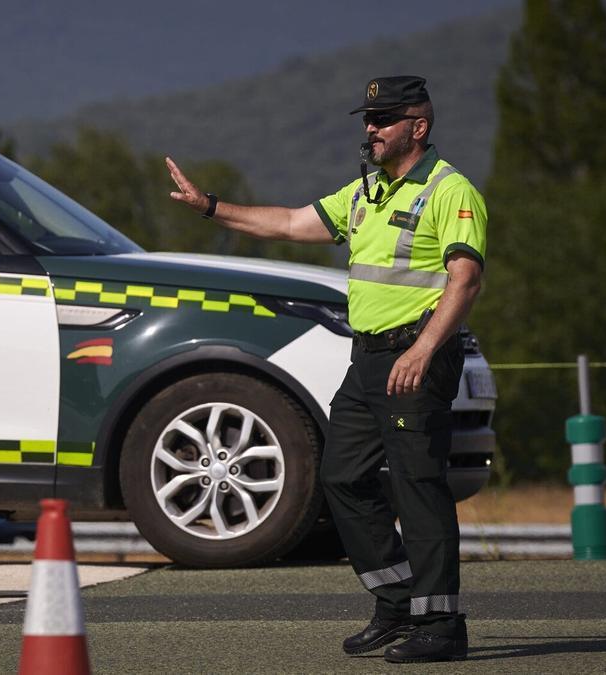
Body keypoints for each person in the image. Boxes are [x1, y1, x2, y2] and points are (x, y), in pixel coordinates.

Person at [165, 75, 485, 663]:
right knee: (341, 477)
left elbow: (465, 280)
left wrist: (422, 351)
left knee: (419, 488)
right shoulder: (368, 193)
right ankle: (395, 601)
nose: (372, 128)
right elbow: (289, 223)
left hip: (418, 356)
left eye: (384, 118)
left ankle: (441, 624)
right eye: (368, 118)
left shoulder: (448, 190)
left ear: (419, 125)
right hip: (368, 360)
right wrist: (210, 207)